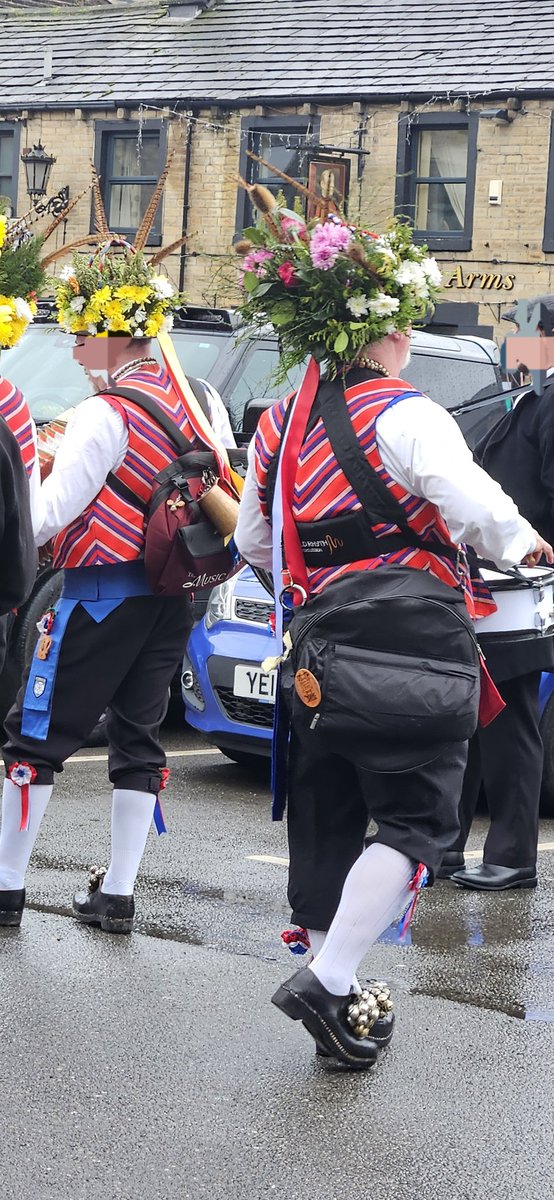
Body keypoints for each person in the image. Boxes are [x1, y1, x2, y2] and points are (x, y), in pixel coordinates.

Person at [233, 202, 552, 1069]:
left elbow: (254, 542)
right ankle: (330, 979)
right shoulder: (407, 413)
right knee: (417, 818)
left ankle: (338, 1002)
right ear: (389, 332)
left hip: (316, 647)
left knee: (328, 813)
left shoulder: (279, 424)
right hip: (413, 638)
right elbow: (474, 505)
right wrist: (526, 543)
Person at [0, 241, 236, 933]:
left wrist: (27, 469)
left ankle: (7, 887)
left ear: (113, 335)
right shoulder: (201, 400)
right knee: (139, 736)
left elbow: (47, 516)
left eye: (81, 336)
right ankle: (119, 895)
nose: (75, 351)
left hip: (100, 595)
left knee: (34, 736)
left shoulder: (104, 414)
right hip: (174, 596)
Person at [442, 295, 554, 890]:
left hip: (521, 590)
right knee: (470, 718)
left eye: (523, 331)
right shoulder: (524, 396)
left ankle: (513, 856)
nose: (511, 343)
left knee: (511, 723)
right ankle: (445, 846)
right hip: (487, 585)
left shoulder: (550, 401)